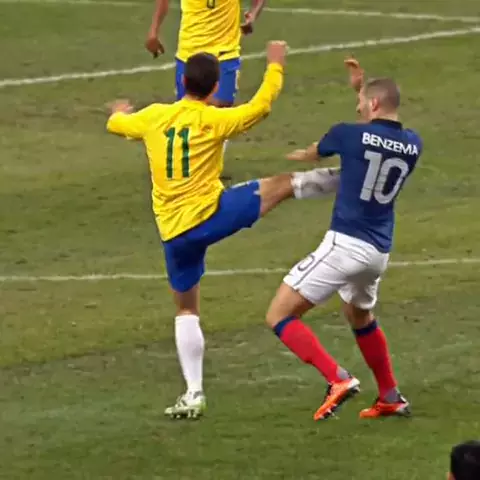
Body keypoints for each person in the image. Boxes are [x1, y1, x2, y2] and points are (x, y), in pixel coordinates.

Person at [106, 41, 339, 419]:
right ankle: (353, 178)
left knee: (186, 308)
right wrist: (275, 66)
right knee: (281, 185)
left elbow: (117, 124)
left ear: (183, 81)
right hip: (211, 216)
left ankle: (194, 392)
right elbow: (259, 107)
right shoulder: (214, 121)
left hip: (173, 235)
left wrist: (119, 113)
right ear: (215, 88)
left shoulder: (153, 117)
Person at [265, 58, 423, 421]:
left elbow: (315, 152)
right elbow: (377, 138)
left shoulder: (347, 134)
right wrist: (361, 91)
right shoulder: (414, 144)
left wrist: (293, 155)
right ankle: (390, 396)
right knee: (358, 314)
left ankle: (337, 378)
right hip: (378, 250)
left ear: (373, 104)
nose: (357, 109)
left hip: (346, 244)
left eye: (361, 104)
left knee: (279, 314)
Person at [145, 0, 266, 107]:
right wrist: (153, 31)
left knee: (221, 114)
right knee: (188, 114)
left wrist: (253, 15)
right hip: (189, 53)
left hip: (224, 53)